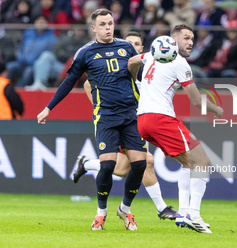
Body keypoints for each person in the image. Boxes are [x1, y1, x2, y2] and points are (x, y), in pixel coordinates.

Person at [37, 9, 147, 231]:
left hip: (130, 115)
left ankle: (125, 210)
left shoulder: (126, 47)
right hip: (106, 116)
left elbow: (141, 79)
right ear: (94, 28)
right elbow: (69, 82)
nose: (108, 27)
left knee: (140, 164)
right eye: (103, 24)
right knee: (107, 166)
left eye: (110, 23)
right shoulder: (85, 53)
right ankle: (101, 213)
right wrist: (49, 107)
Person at [128, 24, 224, 233]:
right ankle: (193, 215)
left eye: (192, 39)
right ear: (173, 40)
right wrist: (216, 110)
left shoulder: (151, 55)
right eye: (186, 38)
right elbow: (197, 101)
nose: (191, 42)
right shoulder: (180, 62)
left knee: (189, 164)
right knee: (203, 162)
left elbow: (132, 61)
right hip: (161, 119)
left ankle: (185, 213)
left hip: (143, 121)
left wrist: (135, 79)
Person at [73, 31, 177, 220]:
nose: (133, 47)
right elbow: (88, 84)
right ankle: (161, 208)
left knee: (122, 169)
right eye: (129, 43)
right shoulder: (116, 68)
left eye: (137, 44)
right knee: (147, 162)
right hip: (115, 120)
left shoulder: (146, 71)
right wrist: (102, 111)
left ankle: (86, 164)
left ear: (141, 49)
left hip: (136, 122)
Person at [27, 23, 89, 90]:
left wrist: (64, 53)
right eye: (77, 30)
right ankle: (39, 83)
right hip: (60, 66)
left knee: (72, 61)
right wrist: (66, 54)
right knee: (45, 56)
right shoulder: (65, 38)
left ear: (84, 32)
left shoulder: (86, 43)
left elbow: (77, 58)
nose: (79, 32)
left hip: (72, 69)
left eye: (81, 31)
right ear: (74, 30)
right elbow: (56, 51)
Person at [6, 15, 57, 87]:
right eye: (38, 21)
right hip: (22, 62)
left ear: (47, 24)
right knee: (10, 66)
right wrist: (20, 58)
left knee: (28, 72)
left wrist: (33, 61)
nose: (40, 24)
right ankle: (4, 88)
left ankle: (20, 91)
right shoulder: (28, 33)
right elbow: (21, 47)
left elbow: (47, 54)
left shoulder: (51, 37)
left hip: (35, 65)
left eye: (42, 22)